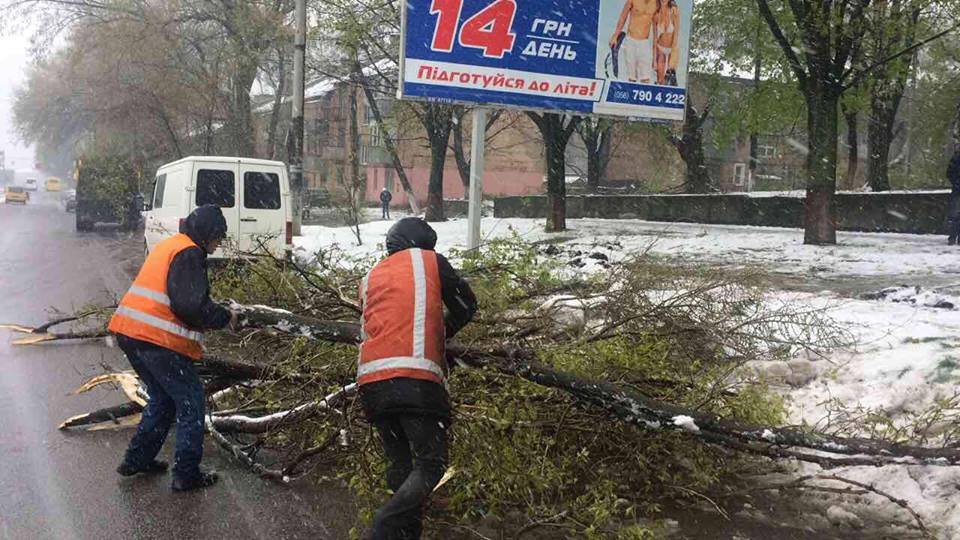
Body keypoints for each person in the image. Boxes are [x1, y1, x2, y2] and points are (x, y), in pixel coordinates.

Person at [358, 217, 477, 539]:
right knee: (431, 463)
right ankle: (384, 526)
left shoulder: (371, 276)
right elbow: (467, 305)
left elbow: (376, 325)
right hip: (415, 380)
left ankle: (405, 536)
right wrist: (440, 334)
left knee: (400, 468)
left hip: (371, 383)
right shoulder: (430, 261)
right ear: (421, 243)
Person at [108, 204, 238, 491]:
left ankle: (136, 461)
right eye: (218, 238)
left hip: (130, 333)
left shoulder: (172, 245)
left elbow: (179, 298)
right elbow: (190, 305)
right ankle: (186, 475)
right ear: (208, 234)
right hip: (157, 341)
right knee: (191, 404)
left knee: (163, 400)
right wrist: (225, 316)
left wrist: (214, 310)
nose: (218, 244)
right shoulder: (190, 252)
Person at [609, 0, 658, 84]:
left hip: (644, 43)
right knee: (631, 78)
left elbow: (655, 30)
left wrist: (655, 54)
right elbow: (623, 17)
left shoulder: (656, 3)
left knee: (646, 78)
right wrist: (615, 35)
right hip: (630, 41)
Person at [654, 0, 681, 85]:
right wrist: (654, 59)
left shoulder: (674, 11)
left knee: (670, 76)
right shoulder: (656, 14)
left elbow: (676, 34)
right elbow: (654, 38)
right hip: (660, 47)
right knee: (660, 80)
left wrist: (673, 54)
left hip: (673, 47)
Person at [947, 151, 960, 245]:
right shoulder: (956, 158)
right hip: (957, 190)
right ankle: (953, 237)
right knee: (956, 215)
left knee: (955, 215)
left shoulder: (955, 158)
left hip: (957, 190)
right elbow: (950, 173)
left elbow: (949, 173)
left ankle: (952, 237)